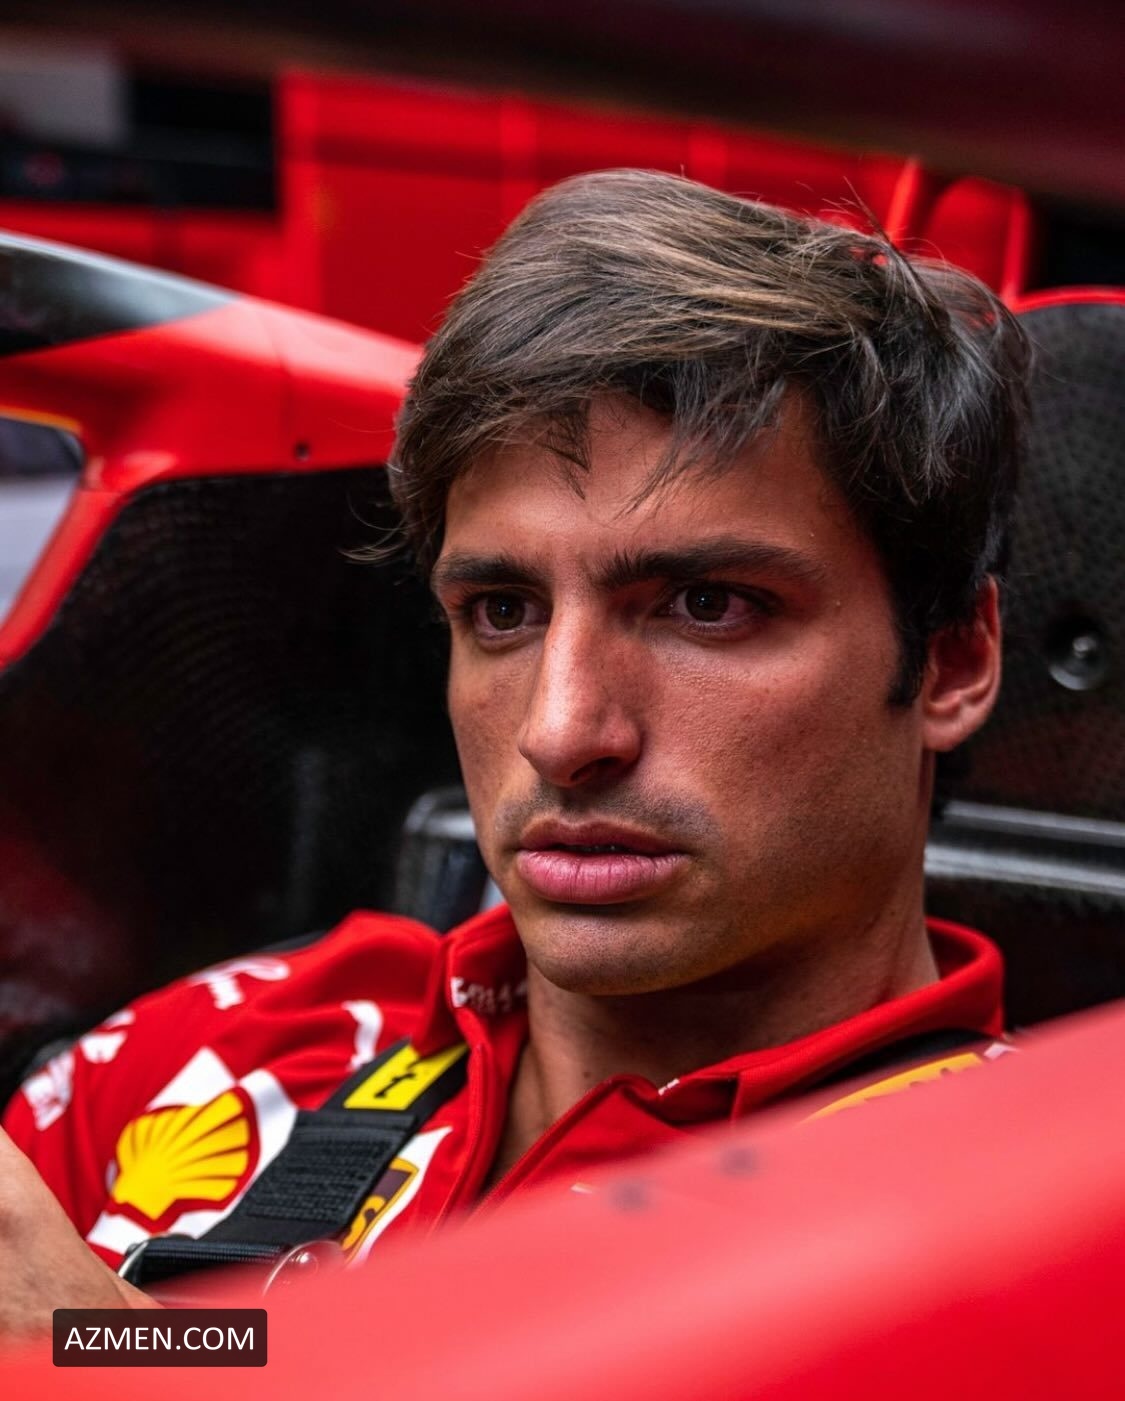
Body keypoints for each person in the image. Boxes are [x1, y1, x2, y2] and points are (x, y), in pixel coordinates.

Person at [0, 169, 1028, 1335]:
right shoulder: (228, 1047)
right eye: (502, 611)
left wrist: (99, 1357)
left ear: (952, 661)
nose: (560, 731)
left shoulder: (1035, 1225)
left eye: (707, 605)